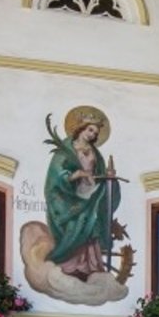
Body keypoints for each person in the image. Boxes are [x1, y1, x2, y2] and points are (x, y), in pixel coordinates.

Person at [42, 108, 121, 276]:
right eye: (90, 129)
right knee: (76, 222)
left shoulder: (95, 153)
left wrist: (108, 178)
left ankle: (91, 264)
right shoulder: (67, 148)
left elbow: (99, 171)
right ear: (81, 128)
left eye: (95, 132)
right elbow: (57, 173)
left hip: (91, 190)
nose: (92, 134)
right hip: (69, 194)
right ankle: (70, 263)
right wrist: (79, 174)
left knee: (92, 219)